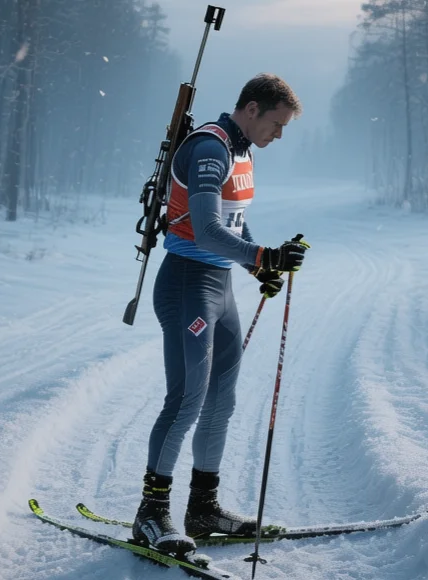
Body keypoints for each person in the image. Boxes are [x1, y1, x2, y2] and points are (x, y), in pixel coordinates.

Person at [131, 73, 310, 555]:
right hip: (188, 283)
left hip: (219, 287)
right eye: (276, 124)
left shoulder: (241, 150)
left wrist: (256, 267)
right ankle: (150, 514)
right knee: (187, 400)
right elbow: (207, 232)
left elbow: (233, 220)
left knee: (220, 402)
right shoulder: (211, 148)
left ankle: (202, 508)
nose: (278, 135)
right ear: (251, 109)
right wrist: (264, 257)